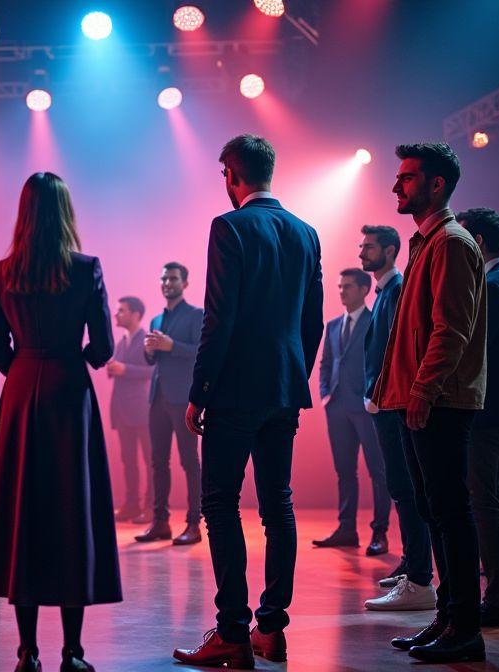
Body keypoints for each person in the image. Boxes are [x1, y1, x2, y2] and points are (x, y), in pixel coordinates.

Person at [174, 135, 323, 669]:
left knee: (219, 504)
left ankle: (233, 633)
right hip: (284, 389)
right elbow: (312, 322)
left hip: (235, 390)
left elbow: (220, 318)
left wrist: (199, 392)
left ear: (231, 175)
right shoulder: (306, 232)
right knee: (277, 505)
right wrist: (293, 377)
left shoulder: (229, 226)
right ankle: (272, 629)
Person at [0, 172, 120, 672]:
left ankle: (26, 652)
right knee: (70, 514)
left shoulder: (0, 272)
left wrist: (25, 366)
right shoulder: (85, 269)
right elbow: (103, 348)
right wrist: (76, 357)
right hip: (68, 392)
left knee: (24, 516)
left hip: (21, 393)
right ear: (65, 212)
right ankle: (73, 652)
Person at [374, 143, 487, 663]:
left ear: (436, 185)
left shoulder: (450, 243)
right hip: (421, 400)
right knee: (435, 511)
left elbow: (452, 329)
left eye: (407, 178)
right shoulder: (428, 243)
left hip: (439, 400)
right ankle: (447, 619)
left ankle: (463, 627)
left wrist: (421, 390)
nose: (396, 186)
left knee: (449, 512)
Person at [358, 225, 436, 612]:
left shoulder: (397, 288)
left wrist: (378, 392)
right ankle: (412, 563)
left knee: (406, 489)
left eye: (369, 247)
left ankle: (419, 573)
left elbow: (396, 349)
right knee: (401, 487)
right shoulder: (386, 290)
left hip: (392, 403)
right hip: (384, 401)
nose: (361, 252)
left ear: (390, 250)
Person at [313, 269, 391, 555]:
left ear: (363, 289)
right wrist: (325, 394)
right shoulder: (333, 325)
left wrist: (374, 397)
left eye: (347, 286)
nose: (342, 291)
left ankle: (379, 532)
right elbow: (325, 363)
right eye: (340, 286)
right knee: (344, 471)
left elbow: (384, 361)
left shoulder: (375, 321)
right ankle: (347, 529)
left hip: (367, 407)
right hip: (336, 408)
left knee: (378, 471)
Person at [457, 208, 499, 627]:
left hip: (489, 413)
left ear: (480, 243)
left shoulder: (490, 287)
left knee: (483, 502)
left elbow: (482, 357)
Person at [139, 263, 204, 545]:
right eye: (163, 278)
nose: (167, 282)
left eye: (173, 278)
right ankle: (160, 522)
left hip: (183, 399)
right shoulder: (155, 319)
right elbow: (153, 360)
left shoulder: (196, 315)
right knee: (158, 463)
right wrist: (149, 350)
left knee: (190, 462)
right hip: (158, 399)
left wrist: (171, 346)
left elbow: (201, 353)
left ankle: (194, 524)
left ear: (185, 283)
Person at [105, 296, 154, 524]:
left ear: (136, 314)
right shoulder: (121, 341)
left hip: (142, 410)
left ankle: (152, 508)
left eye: (121, 311)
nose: (116, 314)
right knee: (128, 461)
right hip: (122, 410)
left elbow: (153, 371)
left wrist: (125, 369)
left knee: (151, 461)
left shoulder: (146, 339)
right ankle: (132, 505)